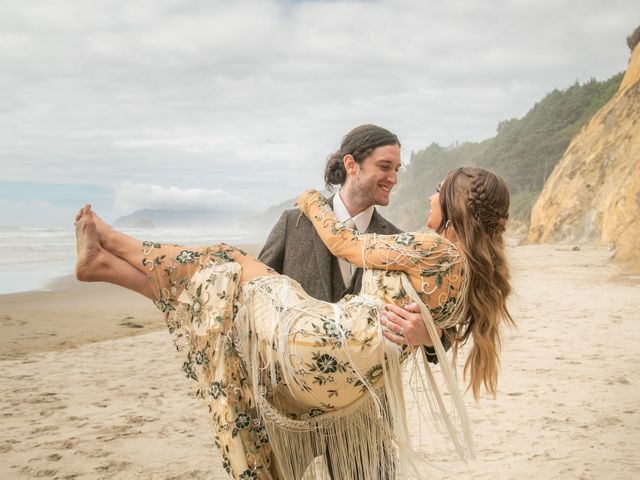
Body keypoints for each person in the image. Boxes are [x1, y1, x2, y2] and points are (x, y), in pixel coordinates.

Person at [74, 166, 514, 480]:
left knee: (229, 261)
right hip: (309, 379)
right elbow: (455, 319)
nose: (402, 182)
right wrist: (427, 329)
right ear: (350, 166)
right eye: (386, 166)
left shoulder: (419, 242)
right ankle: (104, 263)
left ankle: (112, 244)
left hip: (335, 368)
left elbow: (347, 245)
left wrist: (309, 201)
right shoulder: (473, 268)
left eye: (434, 188)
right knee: (224, 280)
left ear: (455, 204)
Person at [258, 124, 442, 478]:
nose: (393, 178)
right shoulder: (293, 223)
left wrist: (428, 335)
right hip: (289, 406)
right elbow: (256, 294)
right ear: (351, 164)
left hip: (366, 412)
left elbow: (438, 323)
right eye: (385, 166)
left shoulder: (398, 241)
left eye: (397, 170)